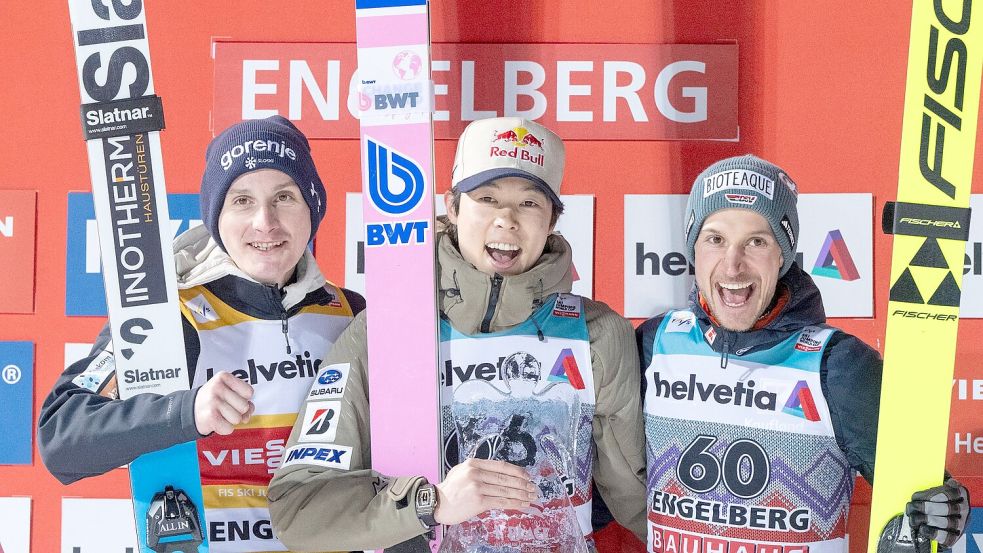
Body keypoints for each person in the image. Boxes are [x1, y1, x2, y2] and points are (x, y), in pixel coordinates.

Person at [268, 117, 647, 552]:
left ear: (552, 220)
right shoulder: (386, 331)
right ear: (453, 206)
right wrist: (430, 503)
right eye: (487, 198)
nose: (506, 220)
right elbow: (298, 509)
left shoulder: (596, 335)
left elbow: (639, 503)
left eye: (529, 203)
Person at [38, 115, 364, 551]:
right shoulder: (170, 316)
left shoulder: (351, 314)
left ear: (312, 208)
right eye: (242, 201)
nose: (265, 222)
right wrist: (186, 413)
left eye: (284, 197)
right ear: (216, 216)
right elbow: (62, 439)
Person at [635, 155, 970, 553]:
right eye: (715, 238)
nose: (732, 264)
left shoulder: (838, 366)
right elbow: (602, 473)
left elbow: (920, 500)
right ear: (693, 249)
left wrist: (945, 508)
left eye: (756, 241)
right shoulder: (655, 344)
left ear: (784, 254)